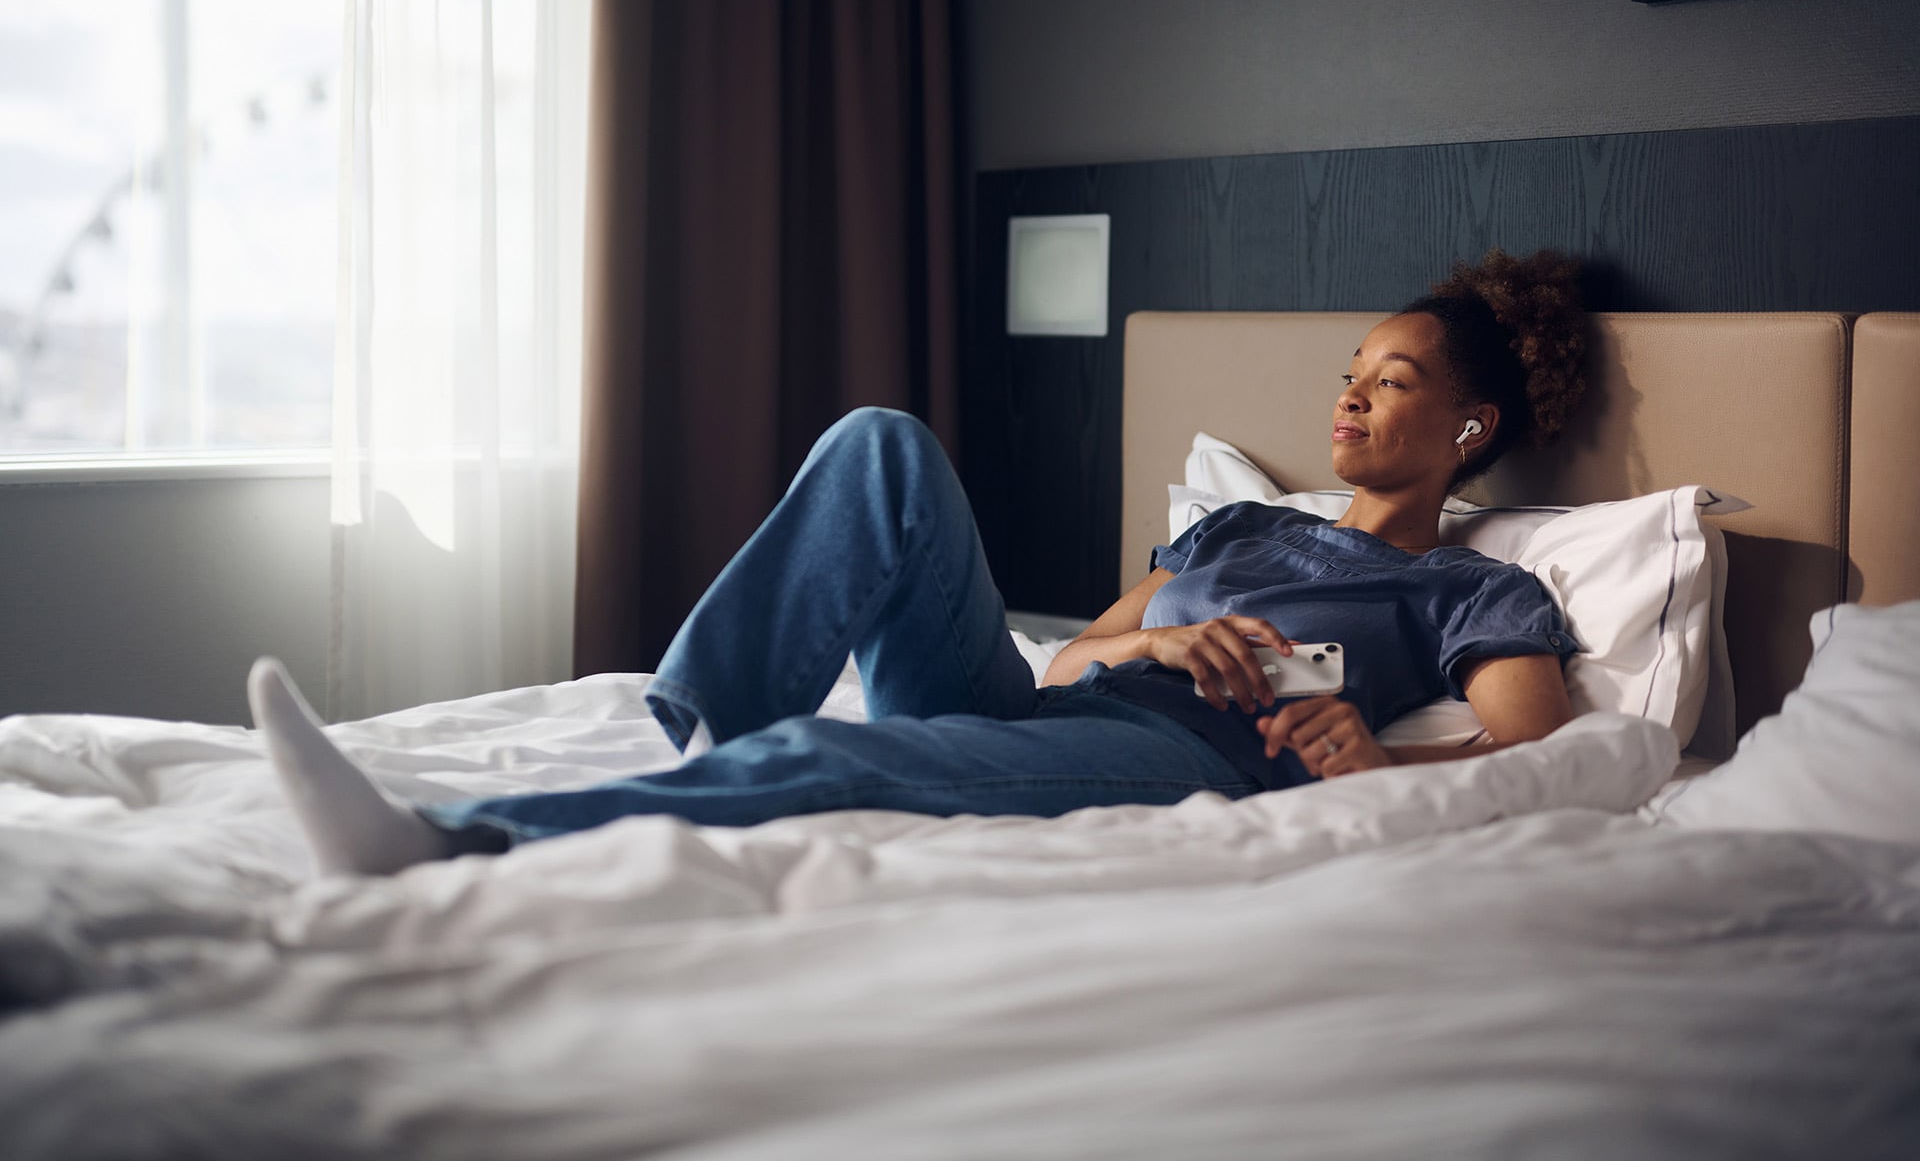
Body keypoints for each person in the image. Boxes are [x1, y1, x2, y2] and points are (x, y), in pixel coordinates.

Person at [251, 248, 1590, 878]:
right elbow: (1069, 657)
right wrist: (1157, 640)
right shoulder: (1245, 528)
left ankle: (447, 843)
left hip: (1194, 762)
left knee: (855, 760)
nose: (1348, 401)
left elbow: (1537, 761)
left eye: (1391, 383)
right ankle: (720, 743)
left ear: (1468, 429)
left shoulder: (1470, 588)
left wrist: (1372, 755)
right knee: (882, 444)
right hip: (1068, 706)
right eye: (1346, 377)